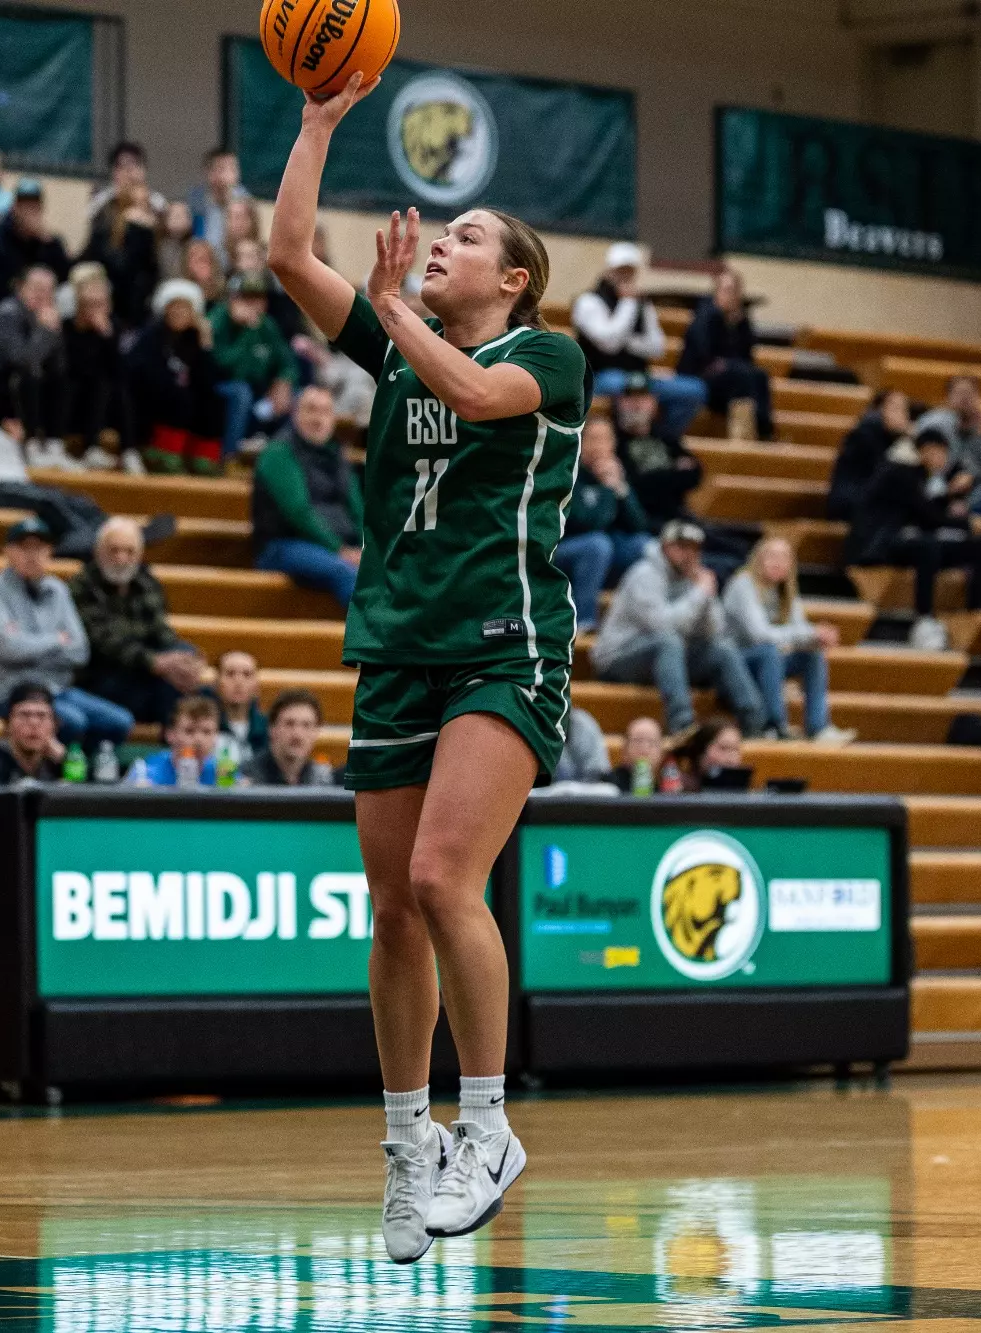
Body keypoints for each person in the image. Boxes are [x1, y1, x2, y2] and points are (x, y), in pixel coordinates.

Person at [271, 71, 590, 1252]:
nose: (440, 243)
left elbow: (470, 386)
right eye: (438, 235)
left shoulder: (546, 359)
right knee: (391, 906)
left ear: (510, 277)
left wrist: (393, 311)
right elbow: (286, 252)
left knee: (445, 876)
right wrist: (314, 123)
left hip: (504, 644)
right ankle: (408, 1145)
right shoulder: (402, 347)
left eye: (465, 236)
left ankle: (487, 1123)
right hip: (399, 646)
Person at [592, 519, 765, 736]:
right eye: (681, 547)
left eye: (694, 549)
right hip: (618, 658)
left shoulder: (694, 579)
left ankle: (755, 724)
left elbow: (714, 631)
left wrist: (707, 599)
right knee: (668, 642)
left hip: (668, 658)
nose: (689, 555)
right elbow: (662, 626)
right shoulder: (644, 575)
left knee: (722, 649)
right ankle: (683, 726)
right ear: (665, 547)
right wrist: (699, 594)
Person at [0, 515, 116, 741]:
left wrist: (28, 646)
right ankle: (55, 771)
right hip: (7, 693)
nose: (32, 555)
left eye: (40, 548)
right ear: (7, 551)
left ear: (50, 552)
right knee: (72, 721)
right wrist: (57, 640)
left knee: (117, 722)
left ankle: (82, 770)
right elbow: (8, 649)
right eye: (24, 547)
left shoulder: (58, 590)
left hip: (56, 690)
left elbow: (80, 651)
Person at [847, 428, 981, 636]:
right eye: (941, 452)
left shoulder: (919, 476)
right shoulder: (900, 471)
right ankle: (924, 616)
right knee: (928, 547)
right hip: (879, 544)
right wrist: (969, 524)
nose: (944, 459)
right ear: (926, 450)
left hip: (908, 537)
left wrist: (950, 496)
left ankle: (974, 611)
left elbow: (924, 511)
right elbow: (926, 517)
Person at [0, 384, 107, 559]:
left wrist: (18, 441)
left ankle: (109, 534)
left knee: (80, 501)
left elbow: (19, 463)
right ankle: (84, 544)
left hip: (21, 485)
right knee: (49, 502)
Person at [71, 516, 204, 724]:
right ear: (98, 552)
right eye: (114, 550)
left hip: (145, 670)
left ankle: (180, 744)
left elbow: (161, 631)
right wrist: (154, 662)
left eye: (129, 551)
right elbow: (106, 643)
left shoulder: (146, 582)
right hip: (103, 675)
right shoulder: (82, 586)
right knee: (165, 691)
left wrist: (180, 659)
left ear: (139, 555)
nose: (121, 559)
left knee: (187, 659)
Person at [724, 535, 855, 743]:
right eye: (772, 556)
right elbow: (759, 635)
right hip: (737, 662)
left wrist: (816, 638)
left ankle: (818, 727)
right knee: (770, 651)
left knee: (811, 653)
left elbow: (799, 629)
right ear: (758, 559)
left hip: (770, 659)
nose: (778, 562)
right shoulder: (743, 584)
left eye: (784, 557)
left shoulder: (785, 590)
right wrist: (811, 633)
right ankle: (775, 724)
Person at [572, 241, 705, 439]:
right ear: (609, 270)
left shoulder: (643, 304)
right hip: (600, 377)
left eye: (629, 270)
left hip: (639, 376)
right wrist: (628, 303)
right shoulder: (588, 302)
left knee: (695, 390)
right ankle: (624, 441)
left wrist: (627, 340)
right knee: (620, 384)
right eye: (620, 270)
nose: (625, 275)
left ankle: (663, 440)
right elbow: (609, 343)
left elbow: (657, 347)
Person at [251, 383, 362, 609]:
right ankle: (370, 642)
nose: (318, 418)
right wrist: (340, 550)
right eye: (311, 409)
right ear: (295, 413)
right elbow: (298, 512)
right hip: (284, 545)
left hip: (340, 548)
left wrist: (366, 548)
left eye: (326, 411)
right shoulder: (278, 453)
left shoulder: (338, 454)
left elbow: (359, 508)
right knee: (349, 573)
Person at [556, 416, 652, 632]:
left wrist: (621, 489)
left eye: (606, 439)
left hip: (602, 554)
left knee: (644, 545)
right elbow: (585, 522)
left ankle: (638, 626)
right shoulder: (570, 474)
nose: (600, 446)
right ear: (582, 442)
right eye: (594, 439)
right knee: (598, 544)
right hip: (565, 551)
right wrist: (609, 489)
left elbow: (639, 525)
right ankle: (584, 621)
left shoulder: (613, 476)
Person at [0, 264, 65, 454]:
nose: (42, 295)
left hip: (9, 386)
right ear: (21, 288)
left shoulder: (39, 318)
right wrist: (46, 332)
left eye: (48, 291)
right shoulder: (6, 313)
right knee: (28, 376)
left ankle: (54, 442)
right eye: (37, 288)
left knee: (61, 380)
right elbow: (21, 359)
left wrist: (54, 333)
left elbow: (58, 366)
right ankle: (31, 442)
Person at [127, 278, 224, 475]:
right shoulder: (151, 336)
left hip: (184, 401)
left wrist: (206, 344)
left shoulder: (193, 340)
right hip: (152, 401)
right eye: (175, 307)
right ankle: (164, 452)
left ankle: (202, 457)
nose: (179, 312)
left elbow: (208, 381)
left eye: (185, 308)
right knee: (179, 394)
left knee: (213, 399)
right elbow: (139, 373)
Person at [676, 267, 773, 441]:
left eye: (735, 291)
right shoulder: (705, 315)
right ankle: (756, 427)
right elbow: (703, 354)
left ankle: (764, 428)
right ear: (716, 292)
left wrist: (738, 328)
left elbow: (747, 356)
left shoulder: (741, 321)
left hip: (731, 378)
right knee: (742, 375)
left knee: (760, 376)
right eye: (727, 290)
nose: (731, 296)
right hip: (700, 374)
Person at [211, 271, 298, 455]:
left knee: (299, 397)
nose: (254, 304)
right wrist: (247, 332)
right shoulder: (218, 319)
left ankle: (279, 460)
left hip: (258, 393)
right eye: (247, 298)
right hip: (220, 388)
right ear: (233, 300)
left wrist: (283, 382)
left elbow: (287, 363)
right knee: (241, 393)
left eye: (259, 298)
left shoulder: (266, 325)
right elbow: (221, 364)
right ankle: (229, 457)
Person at [84, 143, 160, 332]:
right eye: (122, 166)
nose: (129, 172)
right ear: (114, 172)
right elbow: (98, 250)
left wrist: (142, 223)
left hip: (151, 280)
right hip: (113, 278)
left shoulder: (159, 206)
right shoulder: (102, 206)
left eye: (134, 165)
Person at [612, 371, 701, 526]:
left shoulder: (664, 435)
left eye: (642, 397)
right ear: (619, 402)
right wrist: (674, 471)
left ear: (653, 402)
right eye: (630, 397)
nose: (636, 403)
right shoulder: (614, 439)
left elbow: (696, 473)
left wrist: (657, 477)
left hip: (676, 515)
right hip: (640, 520)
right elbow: (636, 485)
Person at [915, 374, 981, 513]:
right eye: (960, 393)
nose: (966, 399)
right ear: (948, 396)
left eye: (971, 393)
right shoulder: (933, 422)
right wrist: (951, 485)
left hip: (970, 496)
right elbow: (926, 463)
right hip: (934, 485)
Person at [63, 262, 127, 469]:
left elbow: (118, 368)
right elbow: (68, 364)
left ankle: (128, 450)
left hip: (102, 391)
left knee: (110, 386)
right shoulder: (66, 324)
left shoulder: (113, 325)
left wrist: (106, 335)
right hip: (70, 385)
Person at [829, 387, 914, 522]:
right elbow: (883, 475)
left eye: (905, 410)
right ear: (878, 409)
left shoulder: (892, 438)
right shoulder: (864, 434)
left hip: (868, 502)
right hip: (851, 502)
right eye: (895, 408)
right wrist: (906, 441)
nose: (903, 416)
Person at [0, 176, 69, 301]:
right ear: (14, 207)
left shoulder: (49, 242)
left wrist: (48, 245)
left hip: (43, 305)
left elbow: (63, 279)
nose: (29, 211)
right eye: (24, 205)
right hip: (7, 305)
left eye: (34, 206)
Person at [242, 688, 336, 787]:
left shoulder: (323, 780)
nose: (297, 734)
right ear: (272, 728)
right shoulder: (248, 779)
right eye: (289, 724)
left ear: (316, 732)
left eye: (306, 725)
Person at [127, 693, 221, 786]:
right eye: (189, 731)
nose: (198, 739)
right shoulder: (145, 771)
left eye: (207, 732)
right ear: (170, 734)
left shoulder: (222, 772)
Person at [187, 147, 249, 265]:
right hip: (205, 266)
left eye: (232, 169)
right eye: (221, 169)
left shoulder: (245, 201)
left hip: (236, 265)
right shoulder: (195, 199)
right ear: (208, 172)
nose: (228, 175)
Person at [206, 649, 268, 765]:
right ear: (216, 682)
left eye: (247, 674)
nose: (238, 681)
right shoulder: (202, 727)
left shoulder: (269, 729)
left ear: (256, 685)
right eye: (230, 674)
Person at [672, 716, 748, 792]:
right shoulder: (676, 789)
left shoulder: (741, 793)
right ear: (701, 751)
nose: (731, 758)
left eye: (736, 750)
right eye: (723, 748)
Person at [607, 715, 665, 793]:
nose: (644, 749)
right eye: (638, 741)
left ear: (661, 753)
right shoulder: (609, 786)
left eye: (652, 742)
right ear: (625, 750)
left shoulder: (667, 789)